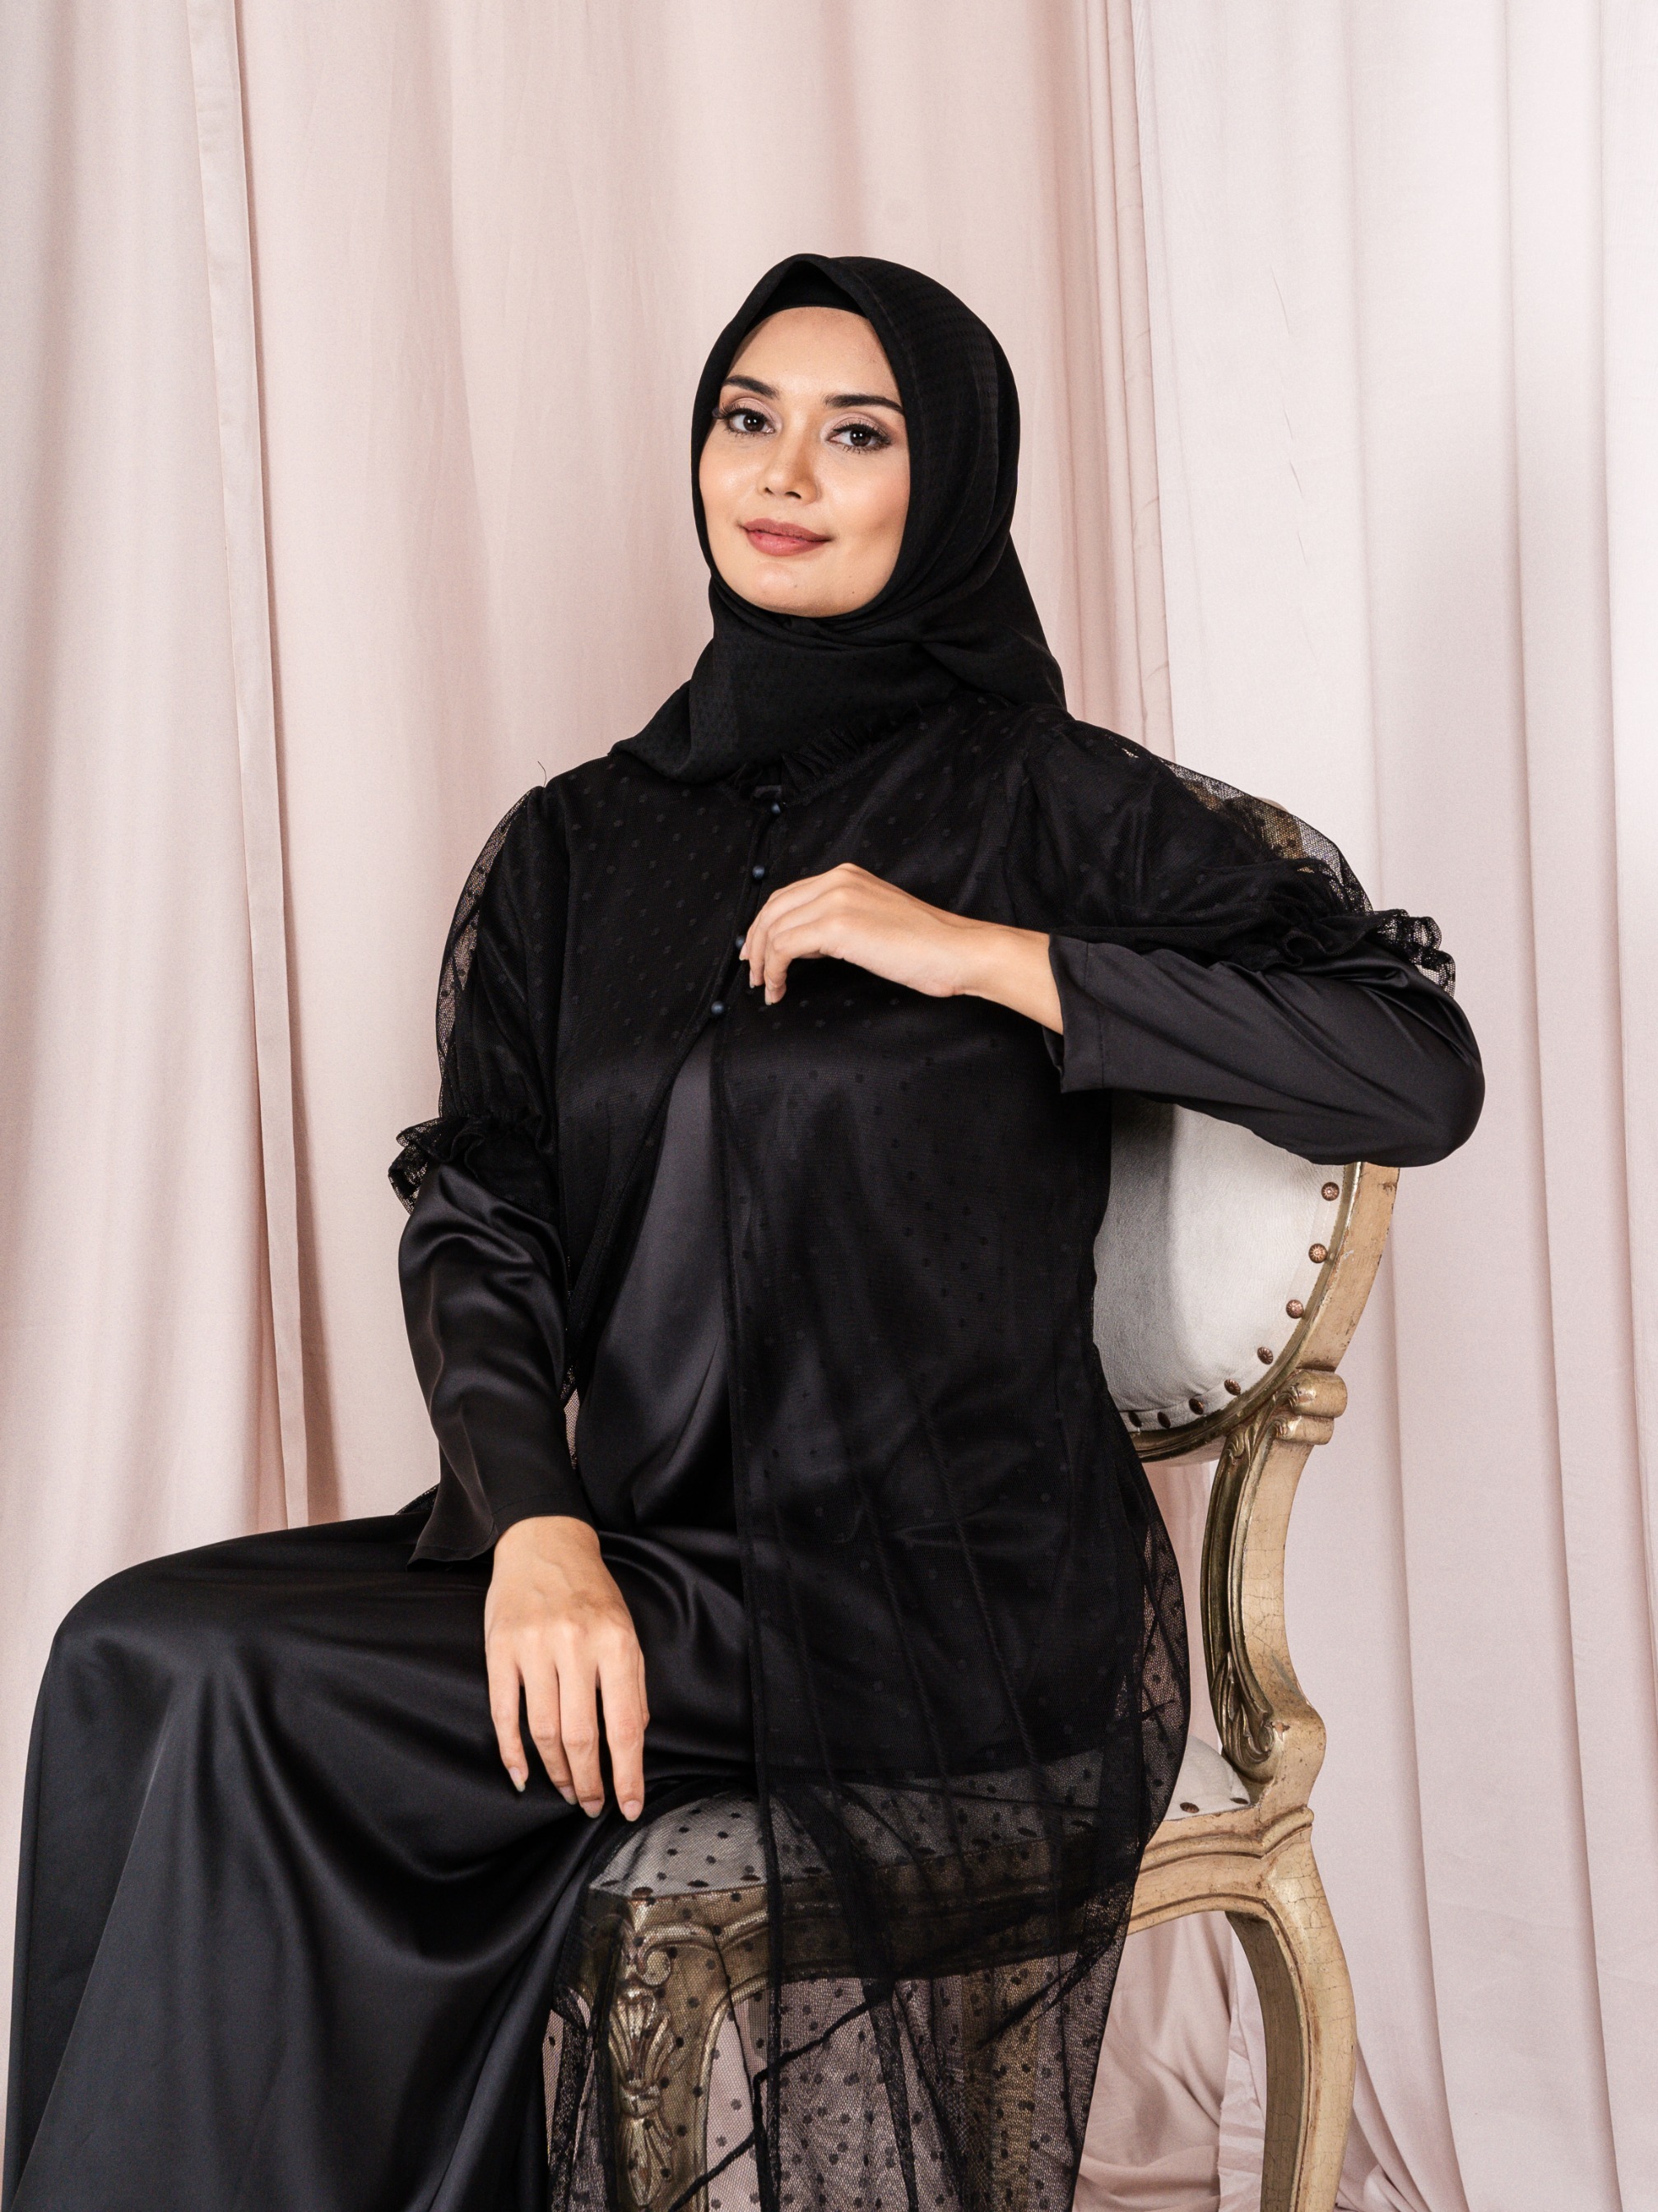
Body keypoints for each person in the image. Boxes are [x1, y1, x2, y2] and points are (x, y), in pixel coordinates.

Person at [4, 255, 1482, 2212]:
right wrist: (534, 1528)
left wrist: (987, 956)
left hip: (935, 1599)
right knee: (132, 1650)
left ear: (947, 483)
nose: (781, 472)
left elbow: (1412, 1072)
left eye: (856, 433)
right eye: (745, 417)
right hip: (656, 1554)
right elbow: (482, 1221)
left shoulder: (1051, 806)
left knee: (262, 1699)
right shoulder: (574, 845)